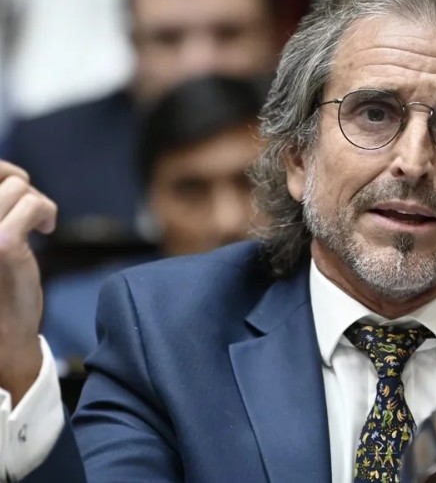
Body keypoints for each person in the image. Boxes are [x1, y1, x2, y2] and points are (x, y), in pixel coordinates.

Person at [0, 0, 436, 483]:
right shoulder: (166, 330)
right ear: (297, 158)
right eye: (374, 113)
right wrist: (20, 364)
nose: (412, 162)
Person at [0, 0, 280, 241]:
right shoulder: (49, 150)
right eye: (168, 39)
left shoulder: (307, 137)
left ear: (275, 37)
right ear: (132, 43)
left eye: (228, 34)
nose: (199, 64)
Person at [41, 73, 267, 363]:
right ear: (150, 201)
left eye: (252, 181)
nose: (227, 221)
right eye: (191, 191)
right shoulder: (87, 317)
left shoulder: (321, 298)